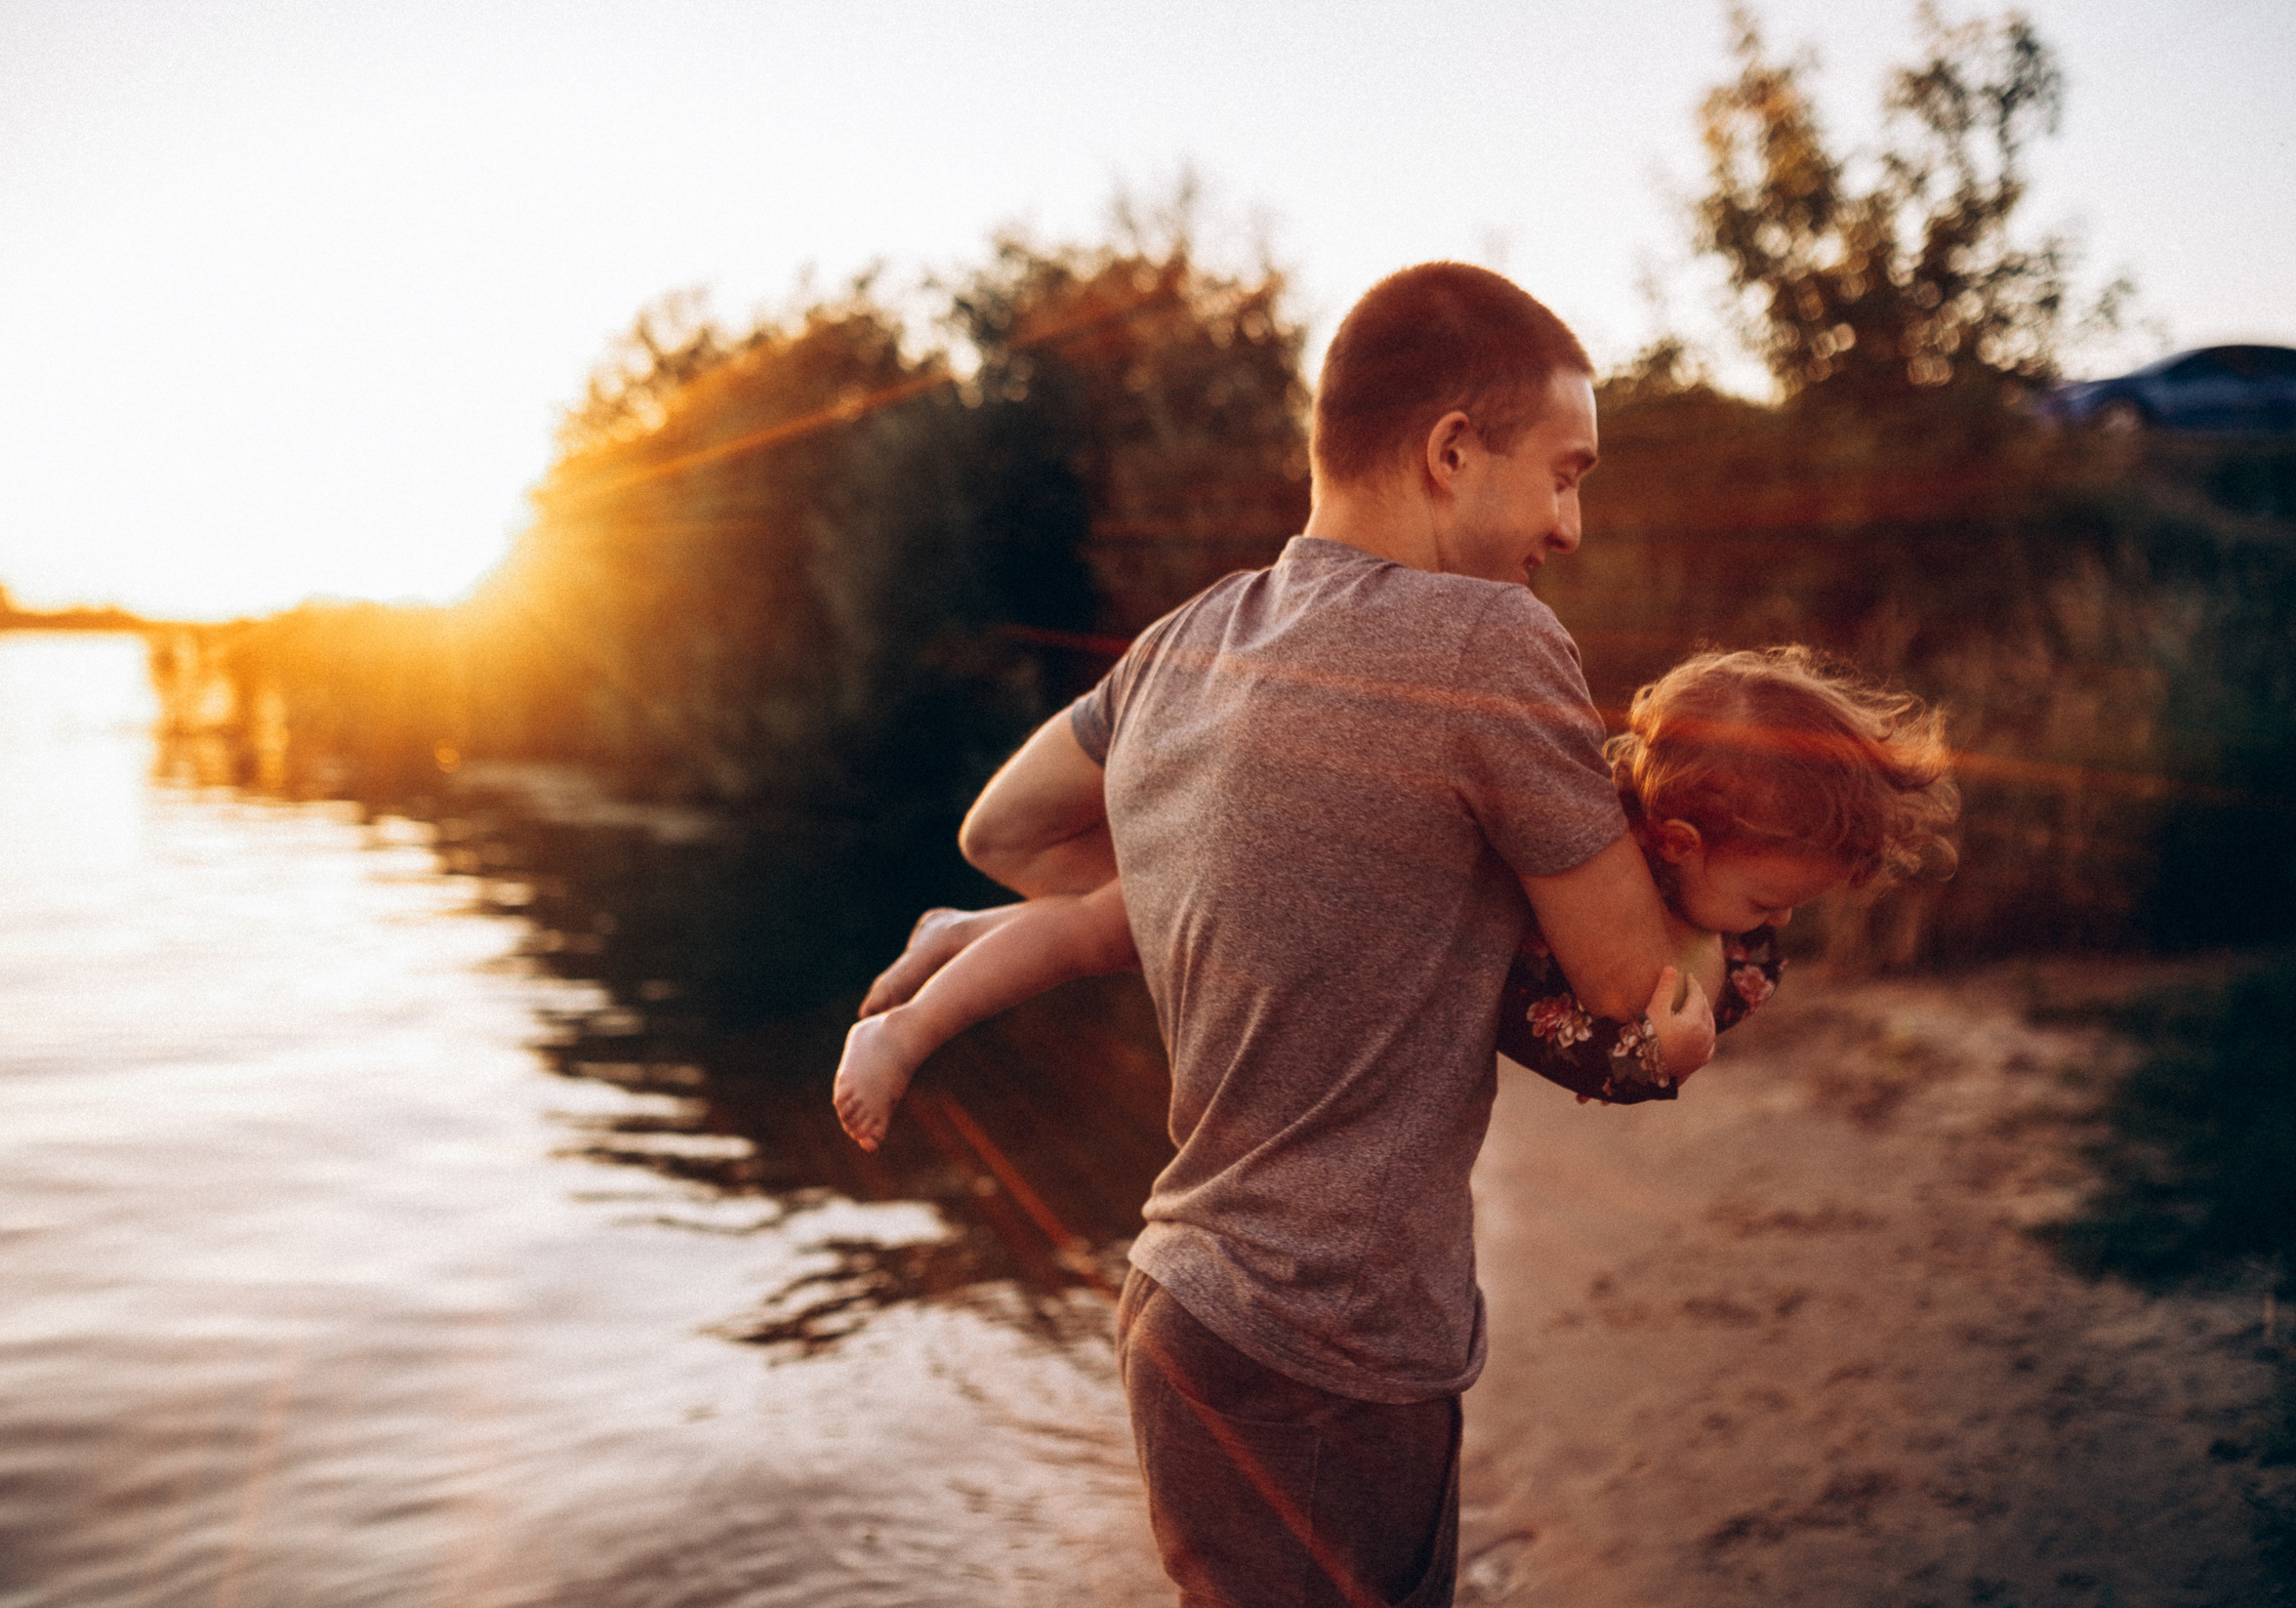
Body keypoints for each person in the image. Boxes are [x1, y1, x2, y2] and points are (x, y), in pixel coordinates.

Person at [896, 263, 1727, 1608]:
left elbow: (1003, 836)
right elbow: (1637, 984)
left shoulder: (1188, 642)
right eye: (1565, 473)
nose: (1571, 526)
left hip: (1183, 1308)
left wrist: (1175, 886)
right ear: (1452, 451)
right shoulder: (1488, 637)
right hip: (1332, 1344)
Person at [833, 643, 1957, 1147]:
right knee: (1096, 931)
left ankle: (965, 927)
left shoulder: (1695, 901)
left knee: (1116, 932)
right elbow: (1556, 1034)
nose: (1772, 925)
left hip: (1328, 900)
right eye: (1767, 895)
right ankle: (906, 1030)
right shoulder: (1589, 852)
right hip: (1315, 859)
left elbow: (1538, 1018)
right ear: (1676, 836)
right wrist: (1655, 1065)